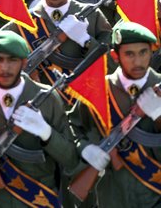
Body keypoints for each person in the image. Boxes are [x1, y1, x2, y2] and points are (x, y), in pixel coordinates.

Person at [0, 30, 79, 207]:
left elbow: (71, 158)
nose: (5, 68)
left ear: (25, 62)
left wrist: (46, 133)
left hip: (38, 199)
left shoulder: (47, 99)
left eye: (12, 60)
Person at [69, 21, 161, 205]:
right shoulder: (97, 90)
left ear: (152, 51)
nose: (138, 61)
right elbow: (73, 128)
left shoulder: (157, 86)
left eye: (143, 52)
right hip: (113, 196)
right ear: (115, 56)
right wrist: (85, 148)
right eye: (129, 54)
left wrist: (158, 115)